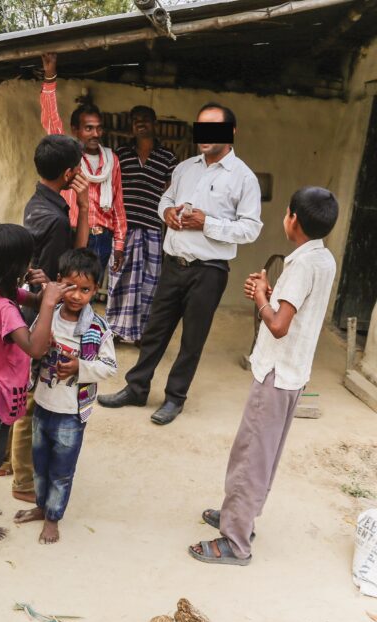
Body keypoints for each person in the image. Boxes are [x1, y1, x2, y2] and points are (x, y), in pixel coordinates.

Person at [190, 187, 338, 565]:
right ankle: (239, 516)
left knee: (250, 454)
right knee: (263, 453)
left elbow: (278, 326)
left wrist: (259, 296)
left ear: (294, 220)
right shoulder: (323, 260)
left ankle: (235, 541)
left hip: (275, 373)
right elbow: (295, 313)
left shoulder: (301, 265)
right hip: (293, 373)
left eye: (288, 213)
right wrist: (271, 294)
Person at [98, 102, 263, 425]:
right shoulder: (186, 168)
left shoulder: (243, 178)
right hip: (173, 263)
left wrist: (208, 223)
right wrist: (167, 213)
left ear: (231, 133)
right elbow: (166, 200)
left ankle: (175, 397)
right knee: (156, 328)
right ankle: (137, 387)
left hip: (209, 270)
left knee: (192, 338)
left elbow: (251, 228)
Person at [0, 222, 75, 543]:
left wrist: (45, 288)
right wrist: (49, 301)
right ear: (14, 266)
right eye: (27, 261)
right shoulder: (5, 308)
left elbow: (35, 302)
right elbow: (36, 347)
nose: (30, 266)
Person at [9, 133, 92, 503]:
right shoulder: (57, 219)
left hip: (25, 307)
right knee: (31, 397)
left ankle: (7, 460)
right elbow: (74, 266)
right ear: (71, 172)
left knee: (18, 388)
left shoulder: (37, 203)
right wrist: (86, 207)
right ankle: (24, 480)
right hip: (40, 313)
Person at [14, 249, 118, 544]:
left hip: (71, 414)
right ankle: (39, 505)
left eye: (85, 290)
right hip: (43, 405)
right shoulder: (49, 318)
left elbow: (110, 367)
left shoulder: (98, 328)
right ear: (59, 283)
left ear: (95, 290)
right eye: (71, 287)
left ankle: (53, 517)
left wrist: (79, 367)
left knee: (61, 471)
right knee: (40, 463)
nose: (76, 296)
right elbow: (32, 347)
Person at [38, 52, 127, 281]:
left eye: (98, 128)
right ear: (76, 129)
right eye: (88, 128)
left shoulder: (112, 160)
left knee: (88, 290)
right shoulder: (69, 156)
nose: (95, 133)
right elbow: (50, 121)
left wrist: (119, 242)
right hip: (73, 234)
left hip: (101, 240)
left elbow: (117, 204)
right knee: (68, 289)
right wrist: (49, 78)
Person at [107, 106, 178, 343]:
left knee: (149, 283)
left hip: (152, 230)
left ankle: (142, 334)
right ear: (131, 126)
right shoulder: (121, 154)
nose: (140, 123)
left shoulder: (168, 158)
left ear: (154, 123)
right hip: (124, 230)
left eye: (145, 119)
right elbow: (113, 190)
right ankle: (116, 330)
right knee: (119, 280)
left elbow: (170, 194)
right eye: (135, 120)